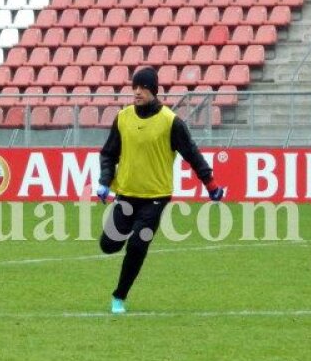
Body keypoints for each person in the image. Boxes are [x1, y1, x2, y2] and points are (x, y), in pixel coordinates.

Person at [96, 66, 225, 314]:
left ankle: (119, 297)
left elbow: (192, 154)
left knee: (137, 245)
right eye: (134, 87)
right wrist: (104, 181)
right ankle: (121, 240)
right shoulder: (123, 118)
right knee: (108, 245)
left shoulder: (170, 122)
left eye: (143, 87)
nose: (137, 92)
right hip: (126, 194)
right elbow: (109, 153)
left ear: (153, 90)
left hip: (155, 198)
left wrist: (210, 184)